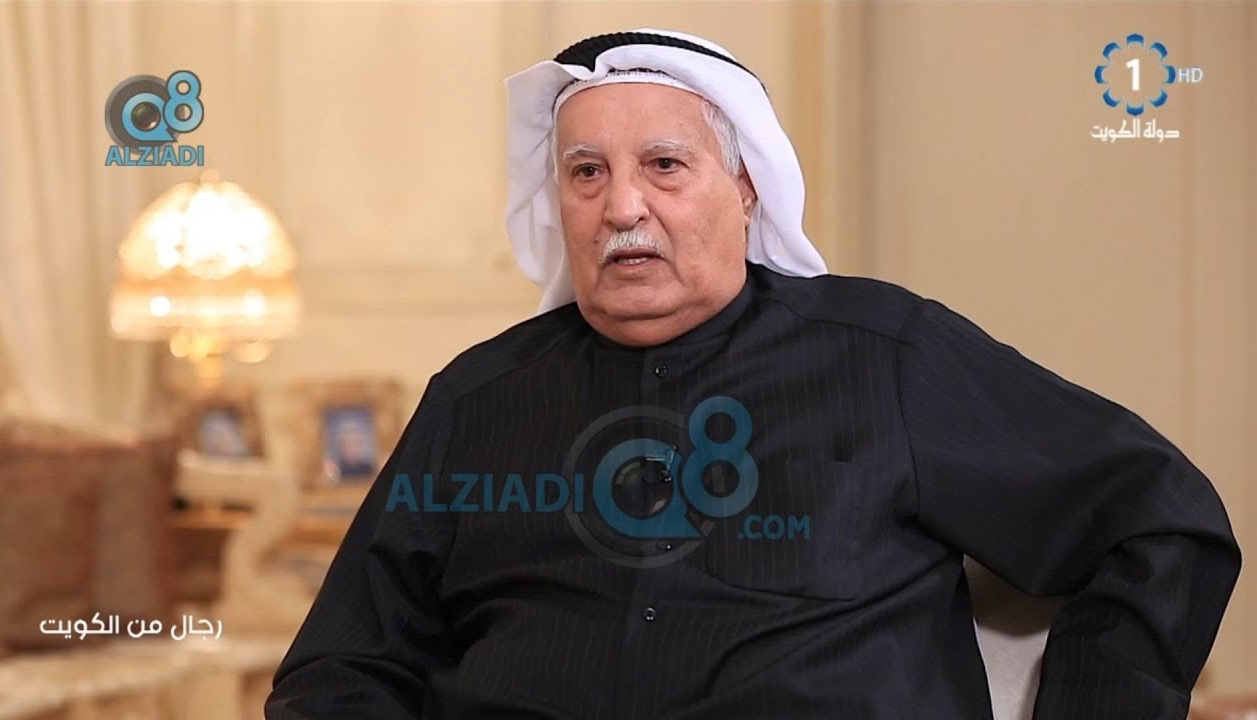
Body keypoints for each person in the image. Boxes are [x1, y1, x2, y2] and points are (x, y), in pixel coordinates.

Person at [266, 29, 1240, 719]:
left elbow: (1158, 518)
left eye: (663, 165)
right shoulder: (477, 400)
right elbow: (341, 668)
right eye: (587, 172)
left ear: (744, 188)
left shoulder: (886, 355)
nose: (621, 207)